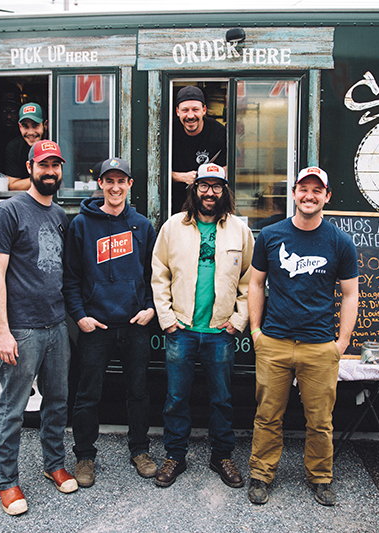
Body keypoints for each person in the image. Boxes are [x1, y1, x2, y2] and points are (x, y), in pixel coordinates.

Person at [246, 166, 359, 507]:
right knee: (267, 414)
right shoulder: (270, 235)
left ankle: (321, 478)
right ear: (294, 193)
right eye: (303, 189)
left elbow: (350, 294)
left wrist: (341, 343)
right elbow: (255, 283)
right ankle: (261, 474)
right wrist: (256, 331)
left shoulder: (340, 241)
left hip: (320, 345)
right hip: (275, 342)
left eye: (316, 190)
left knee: (321, 420)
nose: (309, 196)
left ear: (326, 197)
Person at [0, 140, 77, 516]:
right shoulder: (8, 212)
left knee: (56, 402)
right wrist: (2, 331)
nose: (50, 171)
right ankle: (7, 482)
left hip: (56, 325)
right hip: (22, 329)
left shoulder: (59, 214)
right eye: (43, 165)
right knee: (13, 408)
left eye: (55, 165)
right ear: (30, 167)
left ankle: (53, 463)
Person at [151, 163, 254, 489]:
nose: (210, 192)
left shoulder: (239, 230)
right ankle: (175, 456)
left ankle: (221, 455)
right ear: (194, 190)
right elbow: (159, 274)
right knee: (176, 398)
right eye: (204, 186)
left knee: (222, 398)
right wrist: (167, 320)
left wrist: (238, 321)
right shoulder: (172, 227)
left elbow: (250, 282)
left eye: (217, 186)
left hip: (220, 333)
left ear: (225, 192)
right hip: (181, 329)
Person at [62, 157, 158, 487]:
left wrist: (151, 308)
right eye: (109, 181)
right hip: (96, 326)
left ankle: (140, 450)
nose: (115, 187)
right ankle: (85, 456)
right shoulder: (81, 225)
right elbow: (71, 277)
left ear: (130, 185)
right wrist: (80, 316)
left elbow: (154, 276)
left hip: (134, 324)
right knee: (87, 393)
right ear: (100, 184)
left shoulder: (143, 226)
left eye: (122, 181)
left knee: (139, 392)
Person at [171, 85, 227, 214]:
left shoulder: (218, 132)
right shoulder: (169, 132)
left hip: (211, 201)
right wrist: (181, 177)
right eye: (185, 110)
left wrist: (206, 179)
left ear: (204, 110)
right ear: (177, 111)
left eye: (195, 109)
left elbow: (231, 168)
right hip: (177, 203)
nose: (190, 116)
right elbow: (155, 171)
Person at [2, 102, 48, 191]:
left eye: (35, 125)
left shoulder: (56, 143)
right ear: (19, 127)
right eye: (25, 126)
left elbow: (63, 183)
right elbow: (13, 185)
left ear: (45, 125)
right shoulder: (14, 147)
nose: (30, 132)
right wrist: (43, 177)